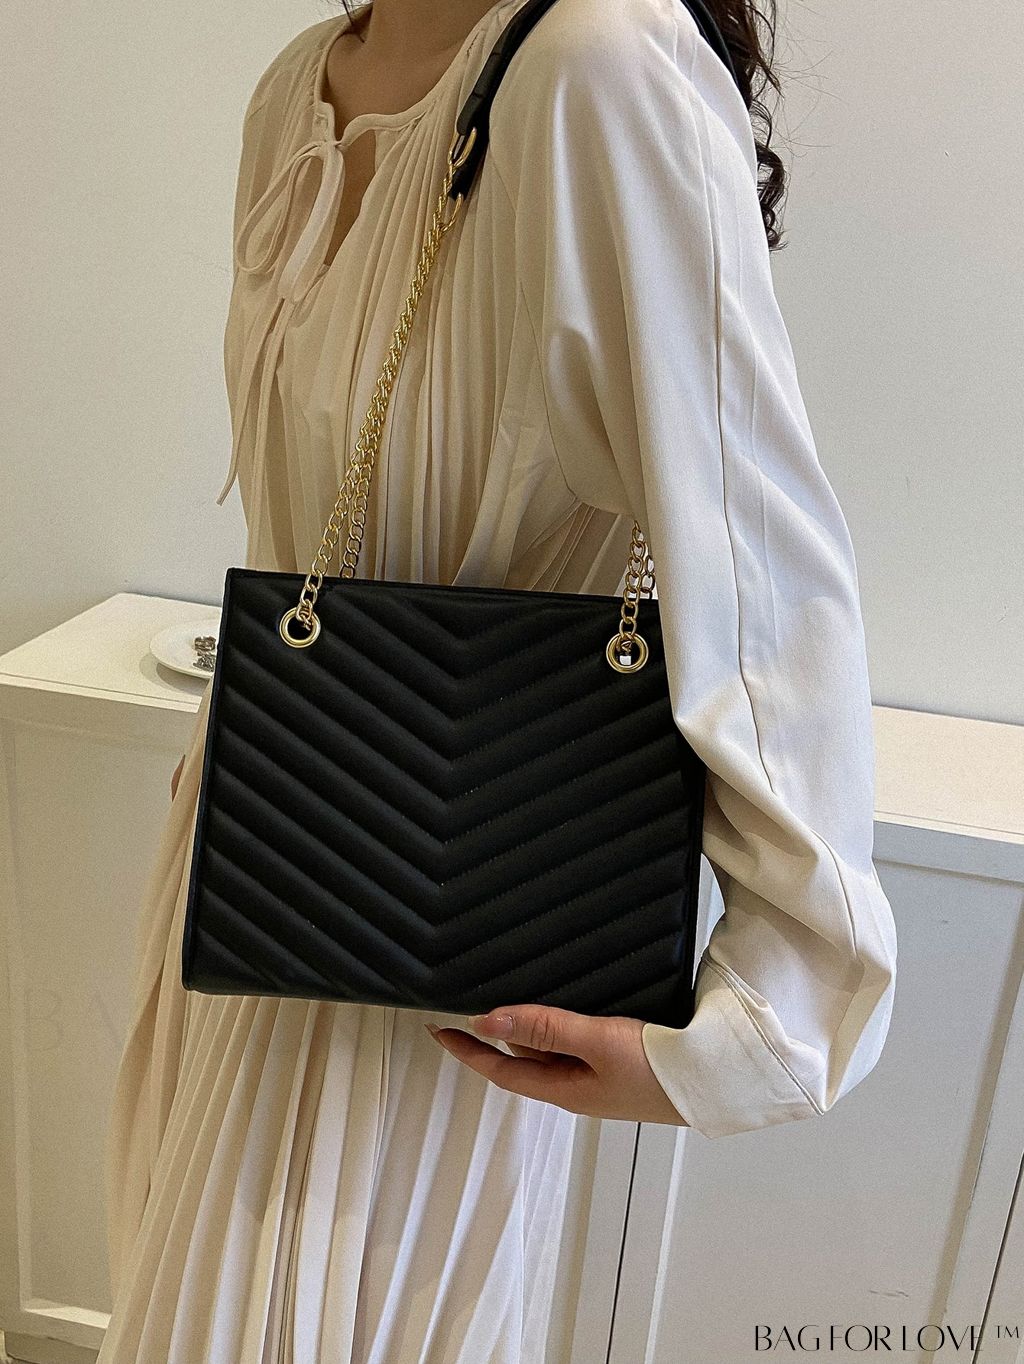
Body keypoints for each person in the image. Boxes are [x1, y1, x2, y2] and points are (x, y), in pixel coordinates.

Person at [100, 0, 898, 1358]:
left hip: (432, 932)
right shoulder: (299, 87)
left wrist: (772, 1017)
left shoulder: (599, 63)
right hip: (250, 876)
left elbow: (760, 556)